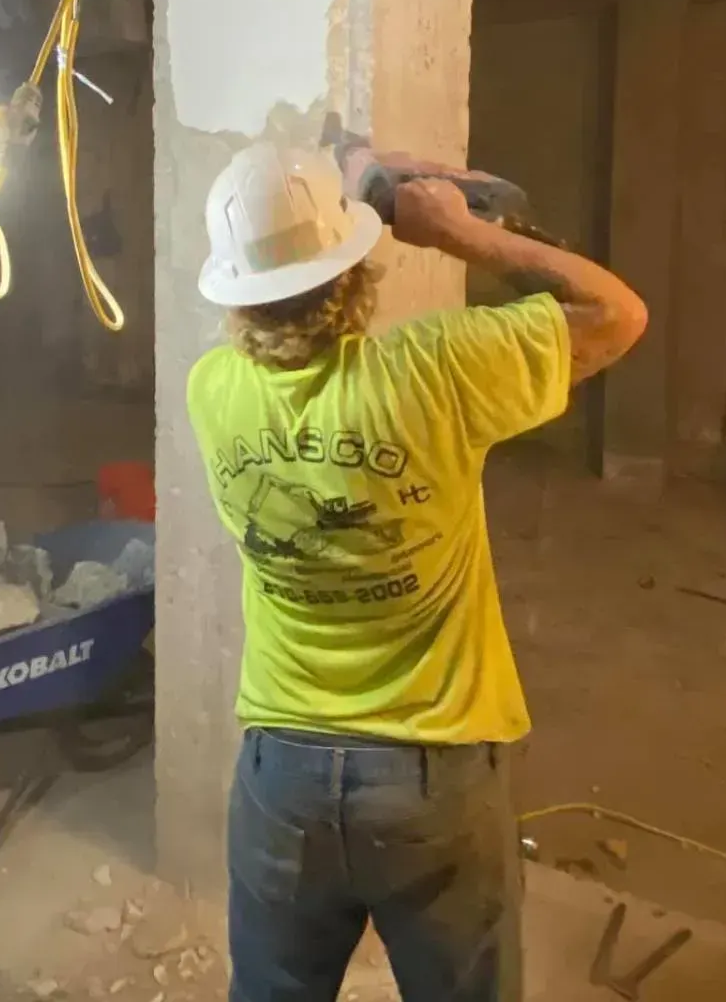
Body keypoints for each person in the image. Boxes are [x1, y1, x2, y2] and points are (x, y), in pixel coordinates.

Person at [186, 140, 648, 1002]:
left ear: (235, 292)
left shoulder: (212, 391)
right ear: (354, 271)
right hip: (432, 775)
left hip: (281, 777)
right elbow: (615, 312)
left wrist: (337, 183)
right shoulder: (435, 374)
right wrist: (459, 234)